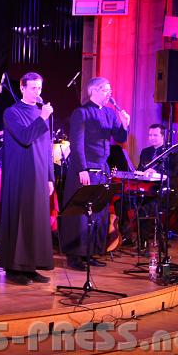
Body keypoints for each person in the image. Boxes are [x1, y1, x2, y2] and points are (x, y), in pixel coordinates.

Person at [60, 77, 130, 270]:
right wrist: (82, 169)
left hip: (102, 168)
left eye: (110, 89)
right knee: (81, 214)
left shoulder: (109, 113)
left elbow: (120, 137)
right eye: (106, 89)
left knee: (99, 213)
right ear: (95, 91)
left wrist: (124, 124)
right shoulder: (81, 113)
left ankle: (90, 252)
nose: (110, 93)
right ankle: (75, 256)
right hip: (85, 168)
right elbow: (77, 143)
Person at [0, 72, 55, 285]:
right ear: (22, 88)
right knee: (20, 218)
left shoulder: (41, 112)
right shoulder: (12, 112)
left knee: (36, 220)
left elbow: (47, 148)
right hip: (20, 173)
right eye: (33, 88)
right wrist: (43, 118)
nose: (37, 92)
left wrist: (50, 177)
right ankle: (14, 268)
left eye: (39, 88)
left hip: (40, 174)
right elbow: (25, 138)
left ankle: (31, 267)